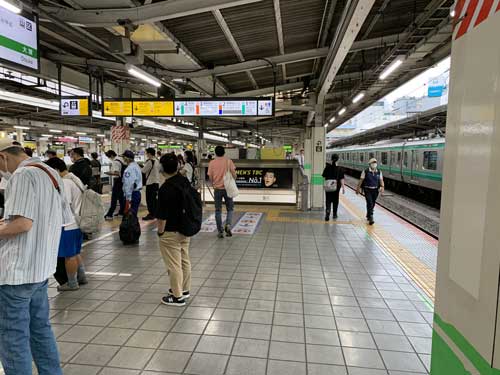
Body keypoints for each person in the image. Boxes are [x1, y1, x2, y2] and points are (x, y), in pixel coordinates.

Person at [0, 140, 72, 375]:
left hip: (17, 272)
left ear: (3, 157)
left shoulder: (21, 176)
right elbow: (59, 218)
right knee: (41, 329)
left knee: (13, 338)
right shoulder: (50, 172)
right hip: (41, 269)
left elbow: (23, 223)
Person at [45, 157, 87, 291]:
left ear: (56, 170)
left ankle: (72, 283)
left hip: (68, 224)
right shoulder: (74, 178)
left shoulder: (65, 183)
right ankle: (82, 277)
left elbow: (65, 205)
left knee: (69, 255)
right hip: (78, 223)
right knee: (75, 252)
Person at [157, 153, 191, 306]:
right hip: (185, 228)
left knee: (173, 264)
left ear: (162, 168)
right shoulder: (184, 181)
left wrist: (160, 232)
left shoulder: (165, 188)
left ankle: (177, 297)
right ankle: (184, 289)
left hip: (170, 231)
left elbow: (162, 215)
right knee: (184, 260)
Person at [208, 145, 236, 238]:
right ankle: (228, 225)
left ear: (215, 153)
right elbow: (234, 174)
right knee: (230, 209)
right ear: (224, 152)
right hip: (228, 189)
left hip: (217, 189)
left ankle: (220, 231)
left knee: (218, 210)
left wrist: (213, 184)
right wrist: (232, 180)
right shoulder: (229, 161)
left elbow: (210, 177)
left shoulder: (212, 163)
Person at [356, 157, 385, 225]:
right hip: (367, 189)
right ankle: (371, 217)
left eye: (375, 162)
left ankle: (368, 214)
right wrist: (358, 188)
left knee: (373, 203)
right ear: (370, 164)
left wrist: (382, 187)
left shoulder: (379, 172)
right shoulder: (365, 171)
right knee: (370, 202)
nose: (374, 164)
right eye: (373, 162)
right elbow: (361, 180)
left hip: (375, 190)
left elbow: (381, 180)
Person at [322, 153, 345, 221]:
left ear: (331, 159)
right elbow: (342, 179)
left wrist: (324, 184)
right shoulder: (340, 169)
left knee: (328, 200)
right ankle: (334, 214)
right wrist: (343, 187)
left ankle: (327, 212)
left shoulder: (327, 167)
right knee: (335, 200)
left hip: (328, 187)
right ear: (338, 160)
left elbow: (323, 176)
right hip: (336, 188)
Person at [104, 150, 126, 220]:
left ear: (111, 155)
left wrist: (108, 173)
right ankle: (121, 213)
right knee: (121, 197)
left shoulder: (115, 162)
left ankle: (109, 214)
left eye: (108, 156)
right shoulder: (121, 159)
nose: (108, 158)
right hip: (123, 181)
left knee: (114, 198)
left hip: (118, 181)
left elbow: (117, 173)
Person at [122, 150, 143, 217]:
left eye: (124, 157)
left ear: (127, 158)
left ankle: (132, 227)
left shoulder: (129, 169)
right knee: (133, 216)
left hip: (132, 195)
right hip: (136, 193)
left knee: (129, 217)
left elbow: (129, 184)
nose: (123, 158)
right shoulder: (136, 166)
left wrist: (128, 198)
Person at [142, 147, 160, 220]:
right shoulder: (156, 161)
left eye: (146, 153)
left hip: (150, 183)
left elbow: (143, 171)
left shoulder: (150, 161)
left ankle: (151, 214)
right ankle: (155, 213)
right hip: (156, 182)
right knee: (154, 200)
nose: (146, 154)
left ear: (149, 153)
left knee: (149, 200)